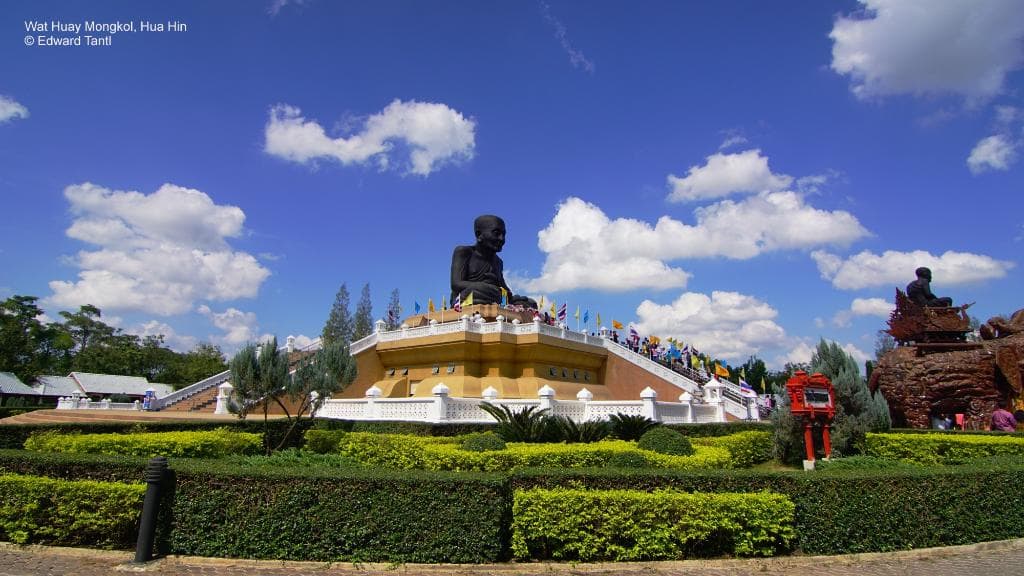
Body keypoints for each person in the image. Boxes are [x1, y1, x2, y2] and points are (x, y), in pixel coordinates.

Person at [450, 215, 537, 309]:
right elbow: (456, 284)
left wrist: (513, 297)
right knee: (478, 291)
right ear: (479, 235)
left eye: (504, 234)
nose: (502, 239)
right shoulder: (464, 252)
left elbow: (504, 290)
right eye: (496, 233)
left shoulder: (498, 262)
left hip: (492, 295)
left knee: (530, 303)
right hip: (470, 296)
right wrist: (484, 286)